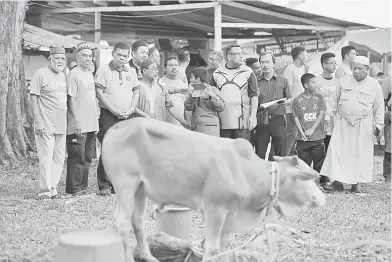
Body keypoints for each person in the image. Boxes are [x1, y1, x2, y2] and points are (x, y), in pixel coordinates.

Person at [322, 56, 385, 193]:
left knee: (359, 153)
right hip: (343, 123)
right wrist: (328, 116)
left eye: (360, 69)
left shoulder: (374, 85)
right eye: (354, 68)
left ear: (367, 70)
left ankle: (355, 184)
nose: (356, 71)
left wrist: (379, 125)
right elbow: (334, 100)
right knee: (339, 152)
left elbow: (379, 106)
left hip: (363, 124)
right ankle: (338, 182)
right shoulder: (343, 81)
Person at [95, 42, 141, 196]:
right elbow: (99, 93)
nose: (121, 58)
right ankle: (104, 184)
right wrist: (113, 110)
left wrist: (131, 108)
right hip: (109, 115)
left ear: (128, 56)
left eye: (124, 55)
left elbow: (136, 92)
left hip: (128, 114)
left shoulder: (131, 72)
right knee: (108, 148)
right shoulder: (104, 71)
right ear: (113, 54)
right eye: (119, 55)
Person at [29, 46, 68, 200]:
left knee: (58, 159)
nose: (60, 61)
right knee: (46, 158)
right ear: (50, 59)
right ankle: (44, 191)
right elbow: (33, 97)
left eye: (62, 59)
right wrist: (37, 121)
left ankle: (53, 189)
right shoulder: (40, 73)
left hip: (61, 124)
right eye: (57, 58)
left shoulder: (64, 75)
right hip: (45, 124)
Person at [65, 42, 99, 197]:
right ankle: (74, 190)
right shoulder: (73, 74)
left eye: (90, 56)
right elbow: (71, 99)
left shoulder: (89, 74)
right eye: (84, 56)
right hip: (78, 124)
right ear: (77, 57)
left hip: (91, 123)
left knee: (87, 158)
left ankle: (83, 189)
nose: (88, 58)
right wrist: (77, 120)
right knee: (76, 157)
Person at [210, 44, 258, 141]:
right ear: (229, 56)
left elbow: (254, 96)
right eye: (237, 54)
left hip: (243, 124)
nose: (242, 56)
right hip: (222, 123)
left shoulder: (248, 72)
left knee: (241, 153)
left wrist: (253, 116)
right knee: (224, 154)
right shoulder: (217, 73)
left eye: (242, 53)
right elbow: (212, 96)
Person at [254, 52, 291, 159]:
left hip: (278, 120)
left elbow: (290, 97)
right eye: (262, 62)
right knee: (259, 154)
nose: (265, 65)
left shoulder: (283, 81)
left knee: (280, 154)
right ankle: (260, 175)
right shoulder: (255, 81)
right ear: (260, 64)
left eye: (268, 62)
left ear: (273, 64)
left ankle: (278, 175)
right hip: (261, 121)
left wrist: (288, 101)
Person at [293, 73, 327, 186]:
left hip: (317, 138)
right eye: (313, 82)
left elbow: (321, 114)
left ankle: (317, 185)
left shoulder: (319, 97)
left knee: (318, 163)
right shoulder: (297, 100)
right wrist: (302, 133)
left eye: (316, 81)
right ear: (306, 85)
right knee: (303, 164)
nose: (316, 84)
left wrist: (312, 129)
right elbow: (296, 118)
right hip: (302, 140)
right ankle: (305, 186)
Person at [138, 59, 187, 125]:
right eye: (153, 69)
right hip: (143, 126)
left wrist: (183, 121)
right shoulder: (137, 87)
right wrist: (145, 116)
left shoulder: (161, 86)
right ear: (144, 71)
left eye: (156, 69)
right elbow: (133, 108)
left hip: (160, 126)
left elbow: (170, 106)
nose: (156, 72)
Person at [283, 46, 309, 156]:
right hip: (291, 108)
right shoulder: (290, 68)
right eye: (305, 54)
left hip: (302, 107)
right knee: (291, 135)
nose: (307, 57)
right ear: (300, 56)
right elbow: (286, 87)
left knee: (299, 136)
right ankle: (282, 158)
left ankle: (292, 158)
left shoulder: (303, 69)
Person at [184, 67, 225, 136]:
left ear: (198, 79)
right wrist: (191, 95)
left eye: (192, 77)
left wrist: (212, 95)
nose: (190, 80)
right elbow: (188, 107)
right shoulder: (196, 90)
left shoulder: (213, 89)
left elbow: (221, 107)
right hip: (197, 127)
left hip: (211, 127)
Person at [316, 52, 340, 152]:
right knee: (320, 148)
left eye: (335, 63)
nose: (335, 65)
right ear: (324, 65)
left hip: (334, 119)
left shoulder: (337, 82)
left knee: (332, 147)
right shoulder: (316, 80)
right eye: (332, 63)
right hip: (320, 119)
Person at [160, 56, 189, 126]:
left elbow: (187, 107)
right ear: (165, 68)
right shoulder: (160, 83)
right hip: (162, 124)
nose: (174, 67)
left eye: (176, 65)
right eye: (171, 65)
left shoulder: (183, 85)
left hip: (179, 125)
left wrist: (187, 122)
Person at [381, 76, 391, 182]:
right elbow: (382, 102)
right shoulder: (388, 81)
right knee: (390, 146)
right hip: (391, 116)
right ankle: (388, 174)